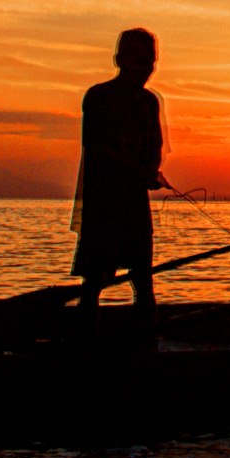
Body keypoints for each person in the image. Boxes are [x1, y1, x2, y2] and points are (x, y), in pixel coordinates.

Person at [73, 28, 167, 314]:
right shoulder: (98, 97)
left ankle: (145, 342)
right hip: (103, 204)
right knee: (95, 281)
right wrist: (139, 172)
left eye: (150, 61)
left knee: (143, 280)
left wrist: (151, 171)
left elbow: (155, 147)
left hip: (135, 204)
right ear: (119, 60)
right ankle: (86, 340)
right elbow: (98, 148)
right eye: (139, 61)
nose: (146, 69)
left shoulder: (150, 103)